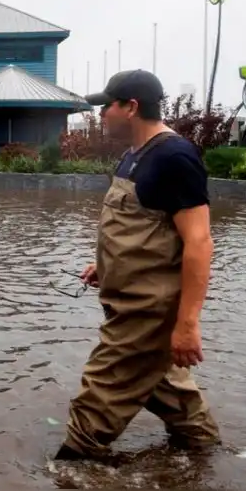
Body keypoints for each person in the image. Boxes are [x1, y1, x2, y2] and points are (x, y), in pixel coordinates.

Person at [56, 69, 220, 461]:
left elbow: (199, 243)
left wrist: (187, 324)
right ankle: (207, 462)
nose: (100, 115)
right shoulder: (134, 157)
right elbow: (140, 228)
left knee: (100, 394)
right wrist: (105, 265)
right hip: (128, 301)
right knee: (172, 394)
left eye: (105, 106)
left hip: (147, 311)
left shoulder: (173, 157)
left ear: (130, 107)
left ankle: (69, 472)